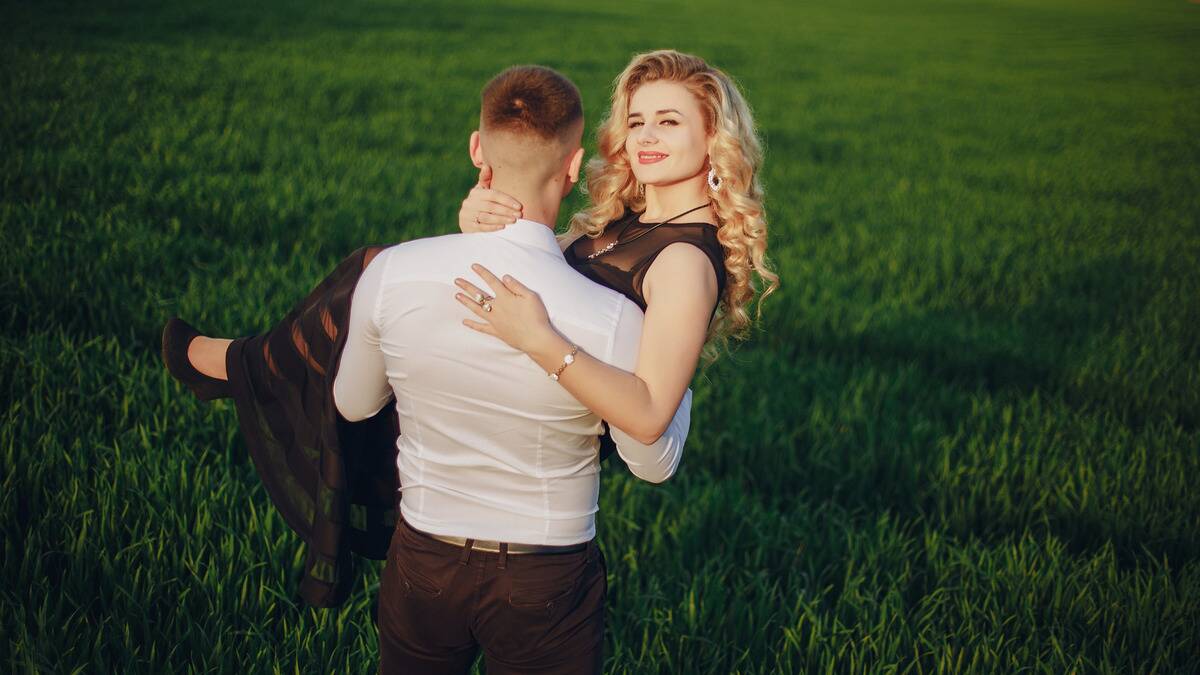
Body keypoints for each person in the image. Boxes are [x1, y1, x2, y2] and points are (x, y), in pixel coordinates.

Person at [164, 65, 691, 674]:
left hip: (424, 562)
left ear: (477, 149)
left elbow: (355, 404)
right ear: (573, 167)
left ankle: (237, 361)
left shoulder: (391, 273)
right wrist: (677, 362)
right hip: (547, 574)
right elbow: (651, 461)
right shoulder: (616, 318)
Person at [455, 49, 778, 446]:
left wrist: (537, 338)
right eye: (636, 121)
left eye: (669, 122)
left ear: (714, 138)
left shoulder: (686, 261)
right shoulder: (626, 222)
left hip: (546, 443)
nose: (645, 136)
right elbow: (534, 265)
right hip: (506, 410)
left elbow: (649, 417)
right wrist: (482, 222)